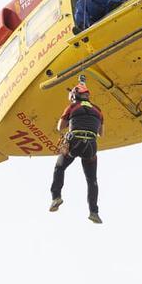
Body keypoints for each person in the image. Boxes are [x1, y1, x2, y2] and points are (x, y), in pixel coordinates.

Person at [49, 81, 103, 223]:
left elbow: (60, 127)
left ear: (74, 95)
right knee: (92, 181)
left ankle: (56, 197)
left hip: (74, 143)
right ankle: (94, 212)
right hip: (91, 147)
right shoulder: (98, 110)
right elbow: (101, 133)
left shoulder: (72, 107)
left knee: (59, 168)